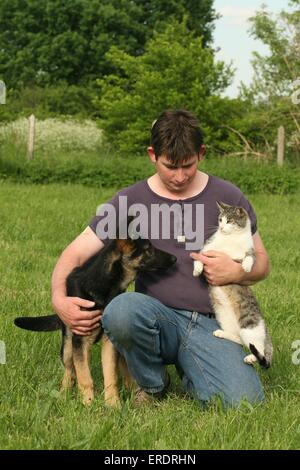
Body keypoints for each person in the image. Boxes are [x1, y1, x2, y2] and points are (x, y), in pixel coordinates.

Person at [51, 109, 269, 408]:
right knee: (120, 310)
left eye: (188, 166)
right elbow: (74, 253)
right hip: (152, 318)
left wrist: (236, 272)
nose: (180, 176)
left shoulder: (227, 194)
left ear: (201, 154)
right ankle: (152, 383)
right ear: (152, 155)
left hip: (210, 322)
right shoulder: (130, 199)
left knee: (245, 402)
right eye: (171, 166)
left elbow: (262, 264)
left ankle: (195, 367)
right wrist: (59, 299)